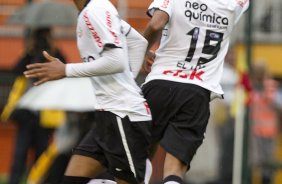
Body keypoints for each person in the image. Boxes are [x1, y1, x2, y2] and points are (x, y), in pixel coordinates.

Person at [23, 0, 152, 184]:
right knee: (72, 179)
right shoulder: (97, 8)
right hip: (107, 114)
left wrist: (65, 70)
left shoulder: (94, 10)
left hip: (123, 115)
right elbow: (138, 42)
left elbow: (116, 61)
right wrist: (127, 81)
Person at [141, 0, 249, 183]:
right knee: (175, 167)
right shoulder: (234, 4)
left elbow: (156, 23)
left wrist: (142, 52)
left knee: (139, 151)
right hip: (197, 91)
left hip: (160, 83)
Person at [0, 27, 66, 184]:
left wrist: (52, 52)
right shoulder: (28, 54)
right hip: (26, 113)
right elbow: (17, 71)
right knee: (20, 154)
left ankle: (37, 181)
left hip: (46, 113)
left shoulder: (54, 54)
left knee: (41, 154)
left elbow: (65, 69)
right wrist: (29, 53)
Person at [250, 61, 281, 184]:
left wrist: (267, 96)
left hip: (269, 131)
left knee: (268, 162)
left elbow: (278, 103)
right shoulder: (250, 86)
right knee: (255, 162)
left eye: (260, 72)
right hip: (254, 131)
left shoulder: (270, 86)